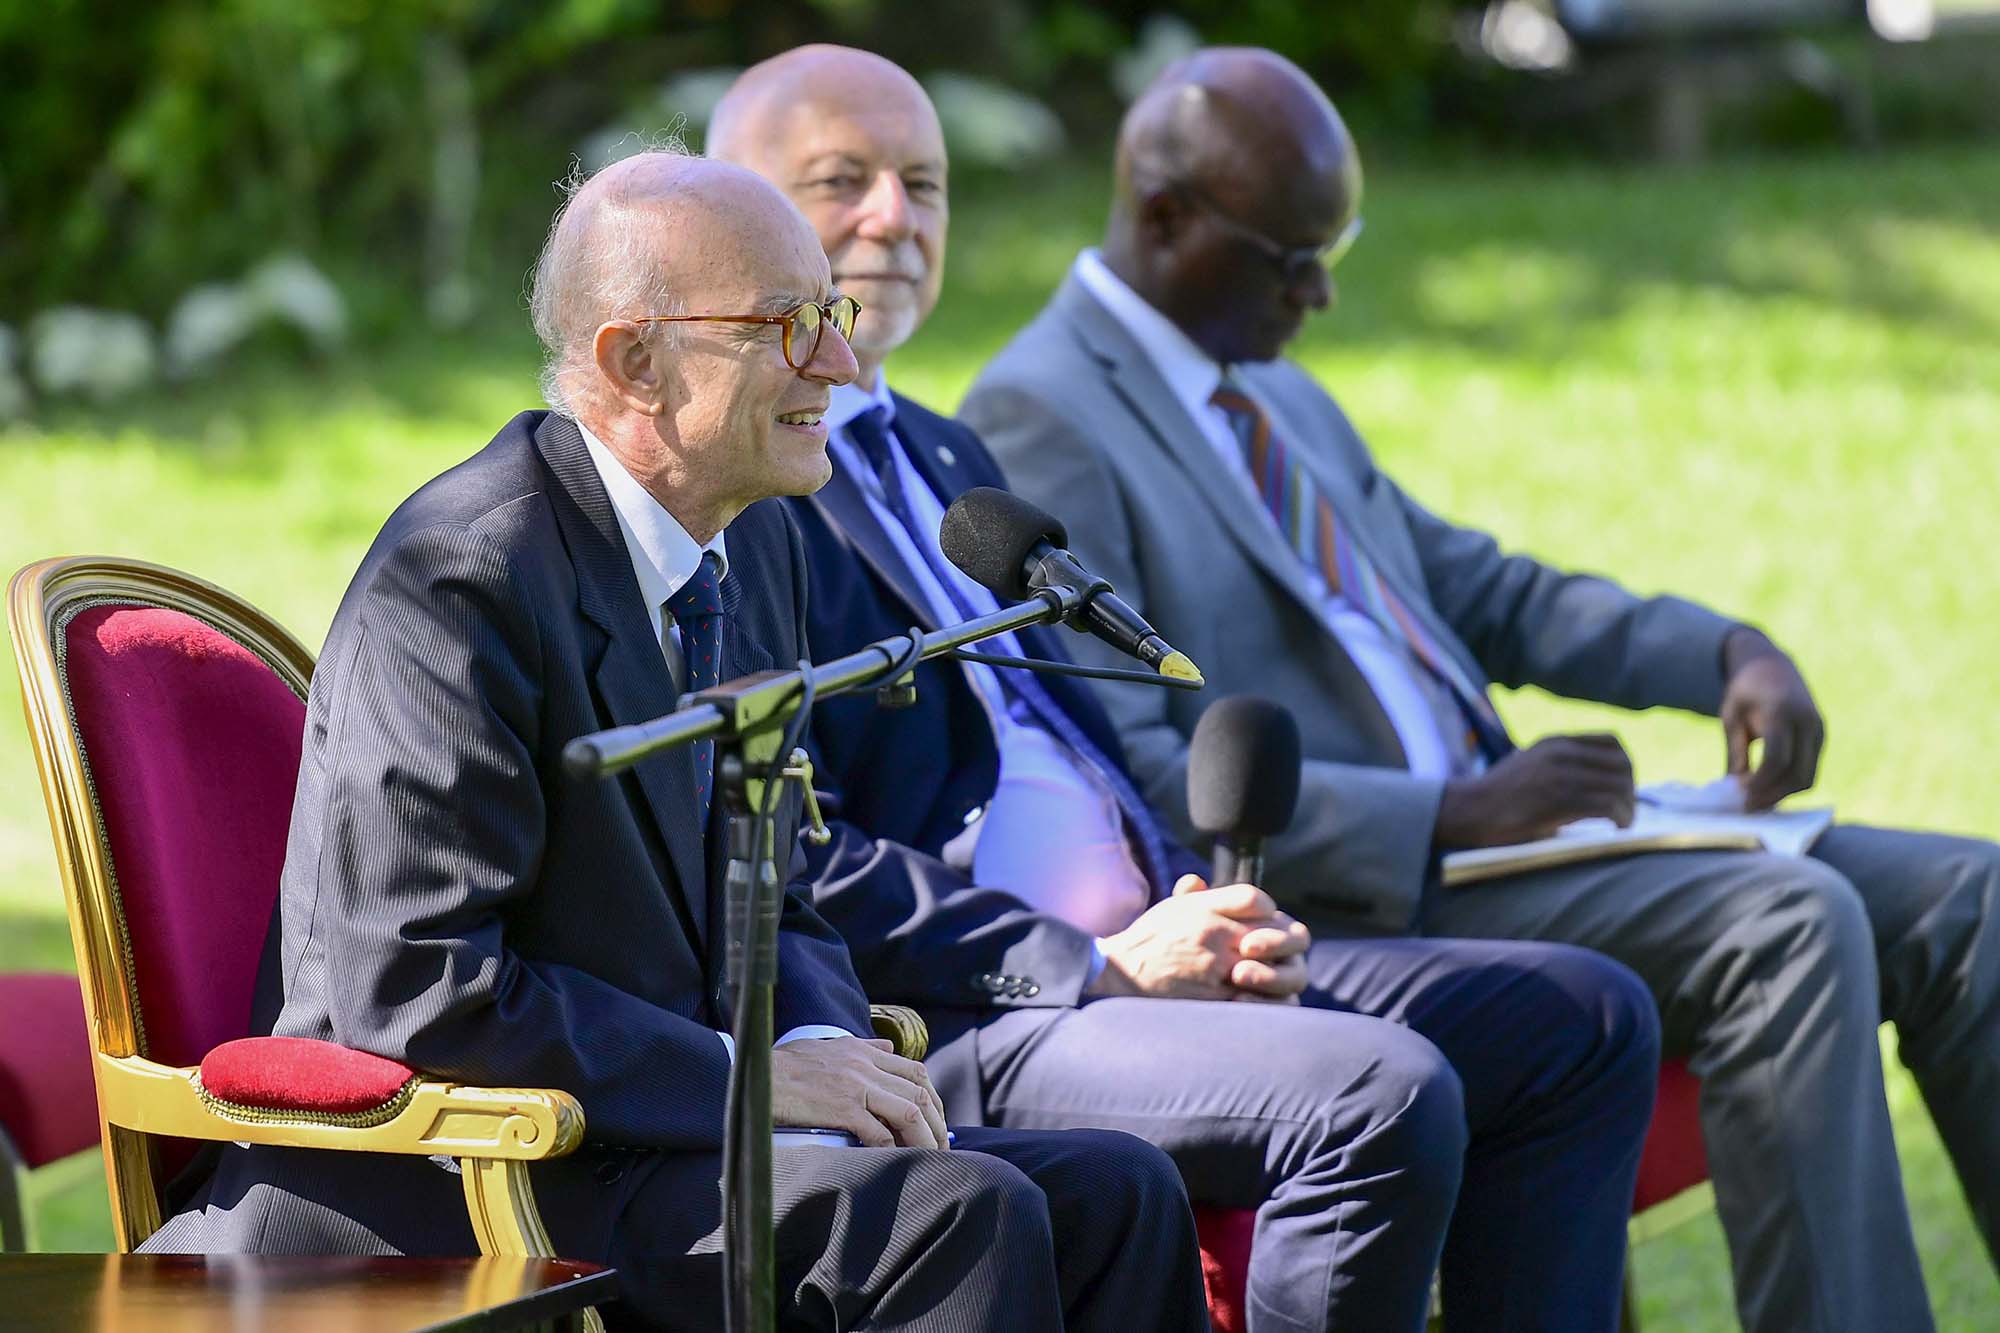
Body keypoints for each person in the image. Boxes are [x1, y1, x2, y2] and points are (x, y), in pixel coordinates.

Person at [963, 45, 2000, 1333]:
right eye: (1294, 258)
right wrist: (1450, 813)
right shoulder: (1040, 413)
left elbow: (1479, 587)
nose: (1323, 293)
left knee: (1963, 893)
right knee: (1783, 921)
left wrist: (1723, 648)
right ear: (1167, 220)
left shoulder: (1259, 379)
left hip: (1508, 834)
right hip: (1378, 876)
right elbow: (1136, 768)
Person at [140, 146, 1210, 1333]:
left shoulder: (757, 545)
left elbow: (782, 877)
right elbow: (419, 985)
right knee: (959, 1211)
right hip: (469, 1173)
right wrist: (749, 1079)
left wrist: (811, 1040)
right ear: (632, 361)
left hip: (660, 1138)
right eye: (787, 324)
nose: (841, 363)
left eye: (834, 316)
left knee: (1119, 1188)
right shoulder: (463, 578)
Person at [710, 46, 1662, 1333]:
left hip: (1148, 947)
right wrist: (1092, 961)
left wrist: (1197, 908)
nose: (895, 216)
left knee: (1582, 1016)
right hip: (975, 1008)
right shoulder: (735, 503)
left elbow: (1078, 741)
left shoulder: (945, 455)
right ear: (734, 213)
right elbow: (788, 857)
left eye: (922, 182)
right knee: (1377, 1095)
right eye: (841, 180)